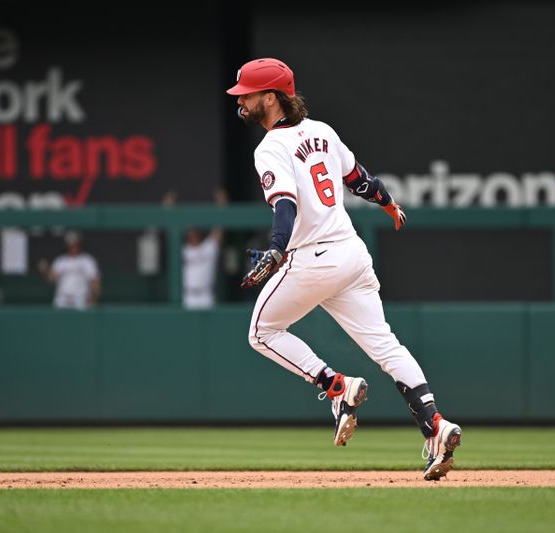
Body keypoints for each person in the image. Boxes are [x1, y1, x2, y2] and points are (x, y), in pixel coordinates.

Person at [227, 58, 462, 481]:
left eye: (246, 94)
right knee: (386, 346)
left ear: (270, 97)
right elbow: (360, 179)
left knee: (260, 333)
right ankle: (436, 425)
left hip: (312, 257)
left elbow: (286, 204)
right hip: (352, 254)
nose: (240, 100)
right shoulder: (323, 131)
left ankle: (336, 386)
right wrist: (388, 203)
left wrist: (277, 248)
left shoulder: (270, 147)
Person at [180, 189, 228, 310]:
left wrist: (222, 204)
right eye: (190, 233)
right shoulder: (183, 250)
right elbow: (169, 229)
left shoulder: (208, 247)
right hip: (188, 296)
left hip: (206, 295)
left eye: (194, 232)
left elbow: (218, 228)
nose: (192, 235)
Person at [38, 230, 100, 310]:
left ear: (79, 243)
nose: (73, 246)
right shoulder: (61, 261)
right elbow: (51, 279)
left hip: (81, 301)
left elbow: (95, 282)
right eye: (71, 243)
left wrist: (93, 299)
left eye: (75, 242)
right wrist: (45, 270)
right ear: (67, 244)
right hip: (62, 300)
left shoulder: (87, 260)